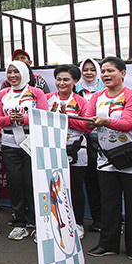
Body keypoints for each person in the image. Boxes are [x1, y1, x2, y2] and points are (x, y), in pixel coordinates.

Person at [87, 57, 132, 260]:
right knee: (109, 204)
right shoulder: (97, 97)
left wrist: (106, 121)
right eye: (103, 71)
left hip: (131, 159)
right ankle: (108, 244)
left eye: (110, 71)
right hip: (106, 159)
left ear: (123, 73)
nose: (106, 75)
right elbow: (88, 123)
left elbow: (129, 123)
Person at [0, 60, 48, 240]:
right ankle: (19, 222)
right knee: (15, 183)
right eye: (9, 72)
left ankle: (36, 222)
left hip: (31, 143)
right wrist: (10, 119)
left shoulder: (36, 93)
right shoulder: (3, 94)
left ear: (25, 73)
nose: (13, 75)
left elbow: (44, 116)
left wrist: (24, 119)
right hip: (10, 145)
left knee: (32, 182)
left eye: (16, 72)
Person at [46, 65, 94, 237]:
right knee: (53, 188)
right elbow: (39, 122)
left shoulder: (81, 101)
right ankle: (53, 224)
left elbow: (88, 125)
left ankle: (77, 223)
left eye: (66, 79)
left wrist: (67, 119)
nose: (61, 83)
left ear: (75, 81)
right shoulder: (47, 98)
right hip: (51, 149)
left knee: (74, 188)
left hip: (76, 150)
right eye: (59, 79)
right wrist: (52, 117)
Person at [75, 58, 104, 232]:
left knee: (98, 184)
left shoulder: (105, 90)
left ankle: (100, 220)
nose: (89, 73)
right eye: (85, 69)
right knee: (82, 183)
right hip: (80, 141)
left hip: (101, 141)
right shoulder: (76, 89)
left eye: (92, 69)